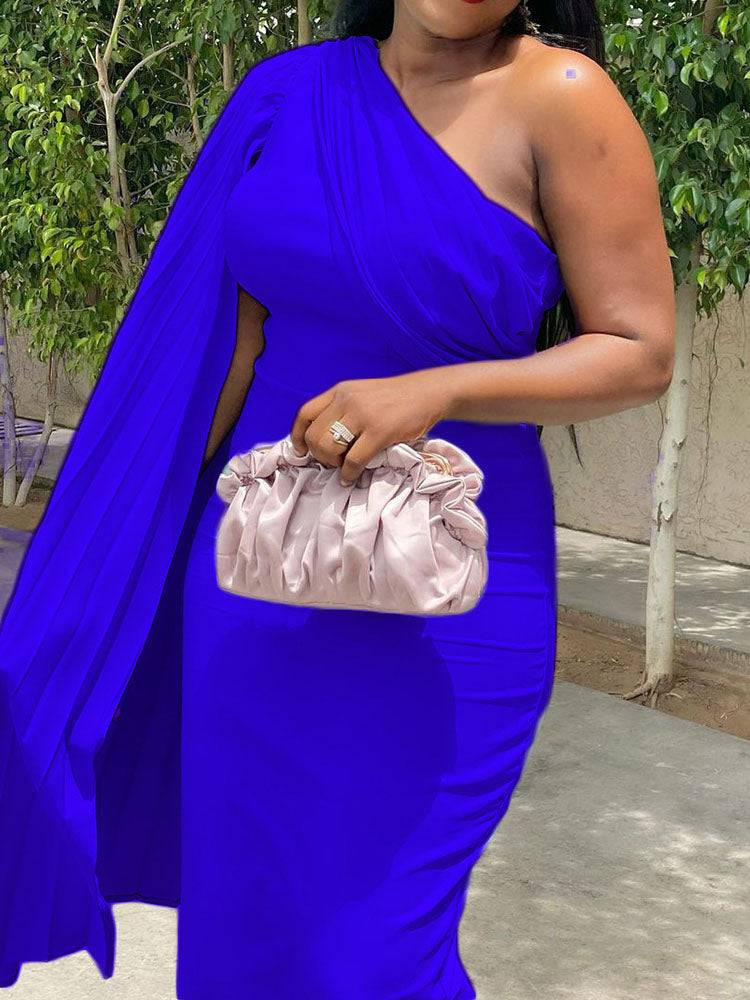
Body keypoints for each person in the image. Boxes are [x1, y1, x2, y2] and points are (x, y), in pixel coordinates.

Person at [0, 1, 675, 997]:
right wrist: (117, 555)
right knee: (246, 925)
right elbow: (224, 350)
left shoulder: (563, 97)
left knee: (374, 959)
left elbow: (639, 349)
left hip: (446, 595)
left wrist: (437, 389)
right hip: (256, 576)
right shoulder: (285, 94)